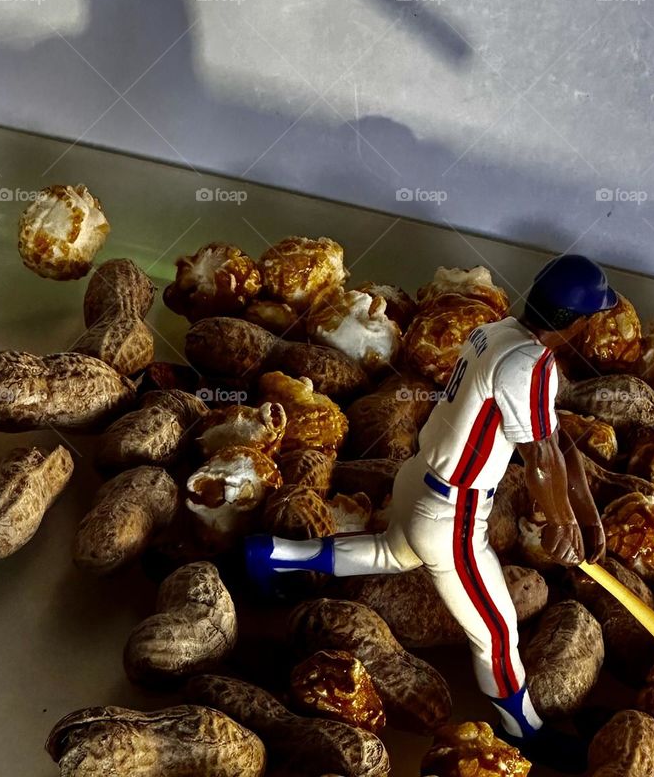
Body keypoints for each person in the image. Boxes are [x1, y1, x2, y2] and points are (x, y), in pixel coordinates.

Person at [245, 253, 618, 760]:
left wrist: (584, 515)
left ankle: (270, 553)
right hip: (453, 513)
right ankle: (522, 729)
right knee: (497, 630)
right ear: (576, 321)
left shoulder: (498, 331)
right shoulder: (529, 364)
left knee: (390, 554)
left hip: (418, 479)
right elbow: (542, 457)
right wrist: (558, 522)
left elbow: (557, 443)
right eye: (593, 318)